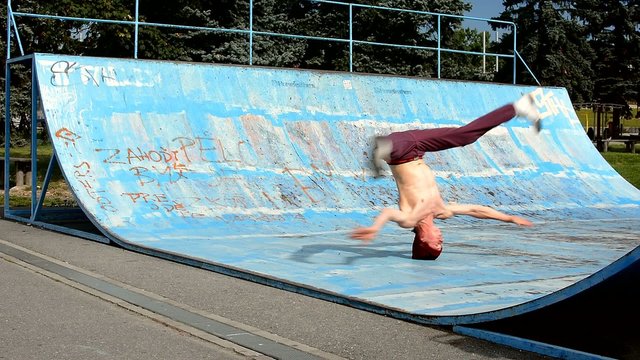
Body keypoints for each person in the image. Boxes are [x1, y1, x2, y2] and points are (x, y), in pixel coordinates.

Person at [350, 93, 541, 260]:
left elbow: (388, 213)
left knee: (389, 147)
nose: (441, 240)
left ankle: (381, 149)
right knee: (465, 136)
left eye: (437, 244)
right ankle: (517, 107)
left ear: (423, 240)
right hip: (419, 147)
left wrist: (374, 228)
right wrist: (509, 218)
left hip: (399, 153)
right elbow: (476, 210)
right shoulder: (441, 211)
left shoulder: (410, 218)